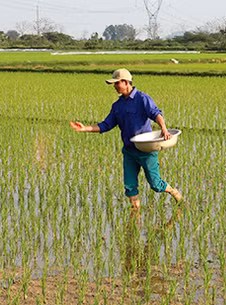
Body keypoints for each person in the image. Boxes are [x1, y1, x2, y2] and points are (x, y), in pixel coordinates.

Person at [69, 68, 183, 210]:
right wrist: (84, 128)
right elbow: (106, 125)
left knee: (155, 185)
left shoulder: (142, 99)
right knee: (130, 187)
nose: (115, 87)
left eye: (117, 83)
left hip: (146, 150)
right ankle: (135, 216)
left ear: (126, 82)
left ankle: (175, 193)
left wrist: (164, 129)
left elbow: (156, 114)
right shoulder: (117, 106)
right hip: (129, 151)